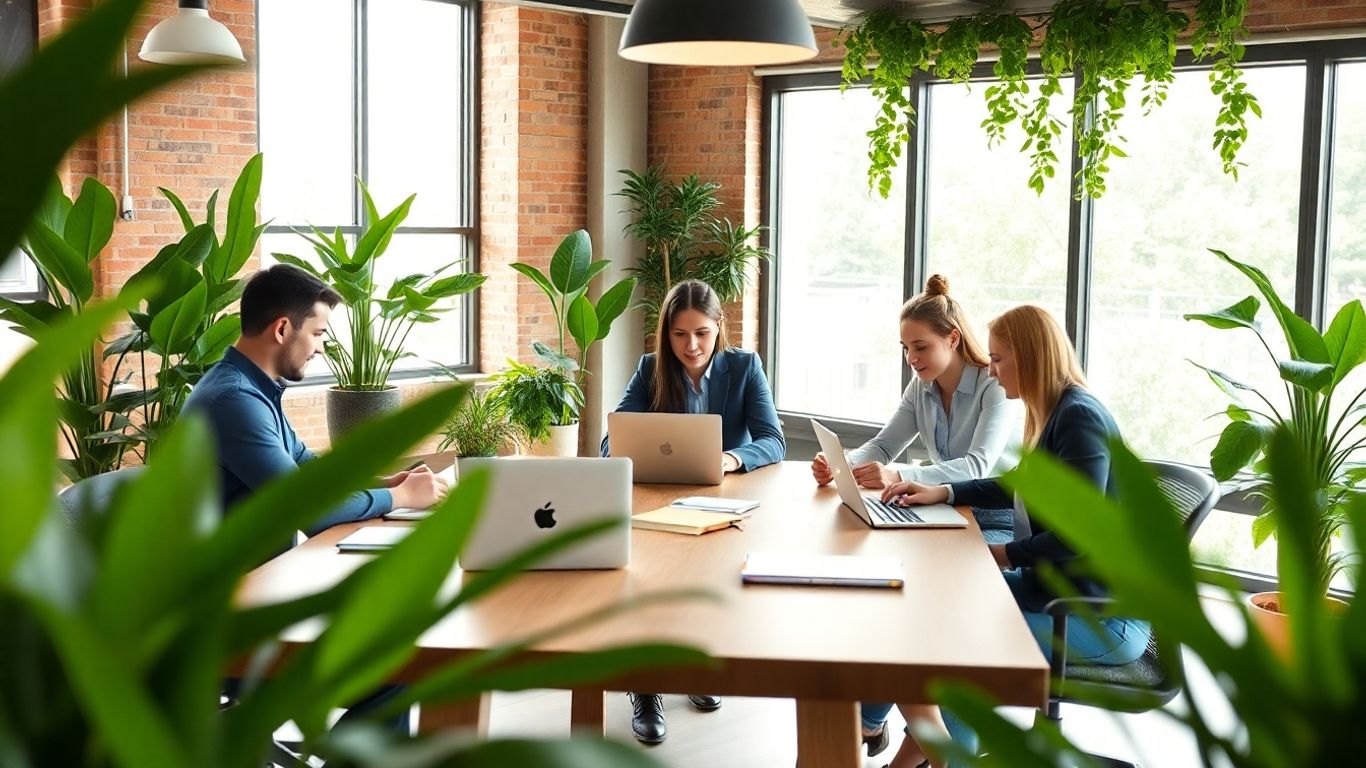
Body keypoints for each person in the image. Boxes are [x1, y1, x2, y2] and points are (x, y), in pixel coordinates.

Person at [862, 305, 1150, 768]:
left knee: (955, 640)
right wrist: (944, 489)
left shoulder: (1080, 417)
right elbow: (1018, 483)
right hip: (1056, 591)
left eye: (997, 359)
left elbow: (1081, 532)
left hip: (1098, 615)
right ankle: (905, 745)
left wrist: (1002, 552)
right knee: (925, 604)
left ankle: (936, 756)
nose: (991, 372)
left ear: (1031, 356)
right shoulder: (1055, 412)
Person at [185, 264, 450, 733]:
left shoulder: (252, 390)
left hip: (264, 594)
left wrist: (390, 483)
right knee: (400, 662)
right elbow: (310, 507)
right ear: (283, 328)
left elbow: (312, 472)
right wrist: (403, 497)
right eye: (319, 333)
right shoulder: (234, 401)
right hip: (228, 626)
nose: (323, 347)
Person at [600, 279, 786, 745]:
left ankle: (696, 667)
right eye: (680, 335)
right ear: (666, 334)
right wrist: (622, 444)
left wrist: (732, 457)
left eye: (701, 333)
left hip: (721, 501)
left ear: (718, 328)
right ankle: (646, 687)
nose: (691, 345)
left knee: (706, 583)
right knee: (645, 582)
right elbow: (612, 441)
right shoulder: (649, 369)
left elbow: (773, 439)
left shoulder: (745, 367)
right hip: (655, 500)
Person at [810, 274, 1018, 491]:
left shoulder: (994, 385)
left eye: (920, 347)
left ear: (953, 339)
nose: (910, 358)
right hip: (948, 499)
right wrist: (841, 464)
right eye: (906, 348)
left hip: (997, 509)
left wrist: (897, 475)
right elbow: (883, 446)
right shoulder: (920, 386)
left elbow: (977, 468)